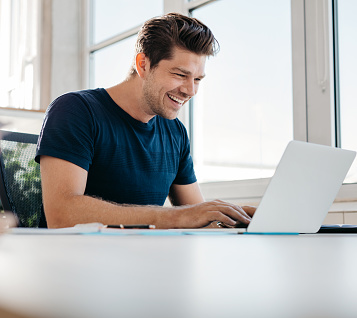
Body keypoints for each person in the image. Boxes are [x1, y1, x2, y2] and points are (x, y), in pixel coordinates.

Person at [35, 12, 255, 229]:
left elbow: (194, 216)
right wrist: (172, 217)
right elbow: (61, 215)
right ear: (143, 65)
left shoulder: (175, 132)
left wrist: (235, 219)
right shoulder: (76, 110)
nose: (190, 90)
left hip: (144, 259)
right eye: (180, 75)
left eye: (197, 79)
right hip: (77, 261)